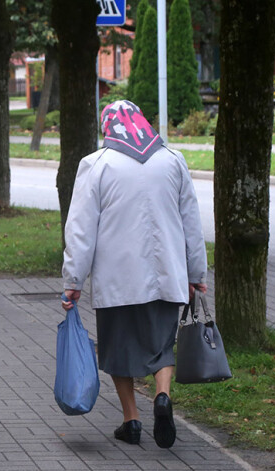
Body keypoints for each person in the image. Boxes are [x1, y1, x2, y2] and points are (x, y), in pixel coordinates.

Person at [61, 100, 207, 449]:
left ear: (108, 127)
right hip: (166, 275)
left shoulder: (96, 165)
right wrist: (196, 271)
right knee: (161, 346)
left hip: (117, 279)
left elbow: (80, 230)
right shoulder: (172, 161)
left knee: (117, 349)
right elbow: (191, 223)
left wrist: (73, 280)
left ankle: (132, 420)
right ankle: (162, 395)